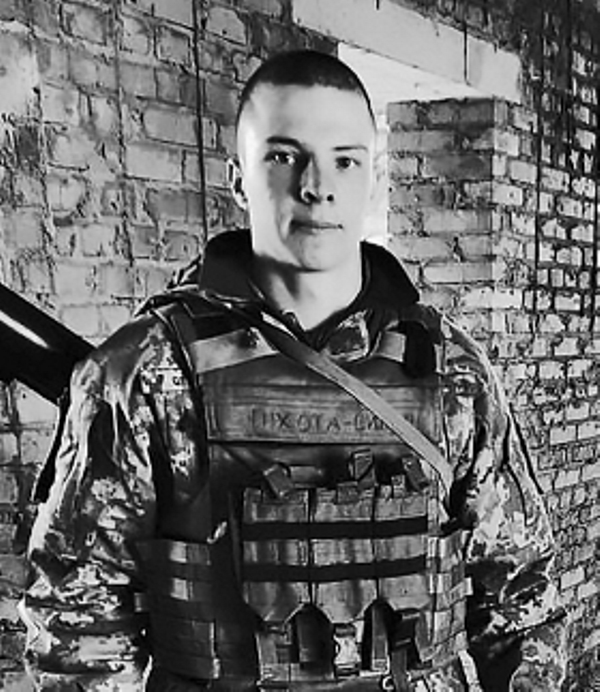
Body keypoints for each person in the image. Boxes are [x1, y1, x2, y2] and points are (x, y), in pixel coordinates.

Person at [20, 50, 566, 691]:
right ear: (238, 179)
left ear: (372, 178)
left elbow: (521, 601)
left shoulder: (452, 372)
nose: (317, 186)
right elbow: (79, 627)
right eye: (284, 156)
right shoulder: (146, 371)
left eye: (345, 160)